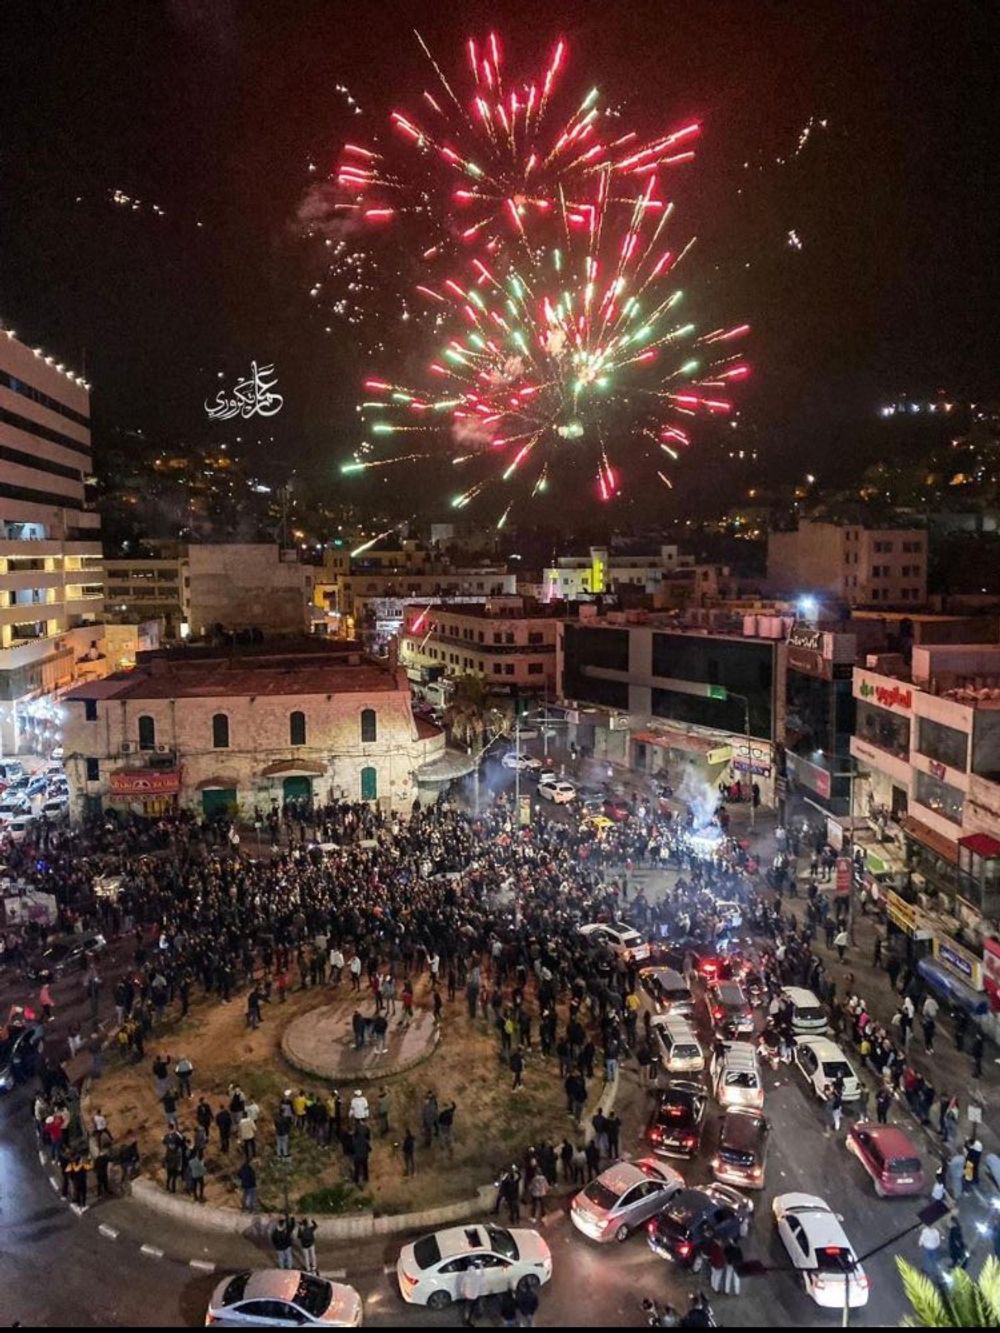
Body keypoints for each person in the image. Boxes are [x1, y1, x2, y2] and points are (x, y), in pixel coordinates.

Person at [460, 1258, 485, 1326]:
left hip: (468, 1296)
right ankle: (477, 1316)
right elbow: (483, 1274)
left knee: (468, 1308)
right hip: (475, 1295)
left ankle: (466, 1320)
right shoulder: (477, 1277)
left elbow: (462, 1286)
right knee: (477, 1306)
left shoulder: (466, 1277)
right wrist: (481, 1265)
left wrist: (463, 1292)